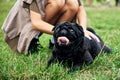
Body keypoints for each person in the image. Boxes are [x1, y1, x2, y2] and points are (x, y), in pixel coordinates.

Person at [2, 0, 99, 54]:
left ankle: (55, 41)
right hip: (23, 27)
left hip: (45, 19)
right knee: (57, 1)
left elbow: (80, 8)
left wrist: (83, 29)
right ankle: (32, 39)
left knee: (73, 4)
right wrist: (64, 32)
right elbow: (36, 23)